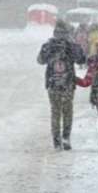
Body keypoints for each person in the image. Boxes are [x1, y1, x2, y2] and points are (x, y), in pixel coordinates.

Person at [37, 20, 87, 150]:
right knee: (67, 111)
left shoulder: (49, 45)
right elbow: (81, 59)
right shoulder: (70, 46)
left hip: (53, 83)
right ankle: (66, 136)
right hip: (68, 83)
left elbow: (40, 60)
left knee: (55, 111)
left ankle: (56, 140)